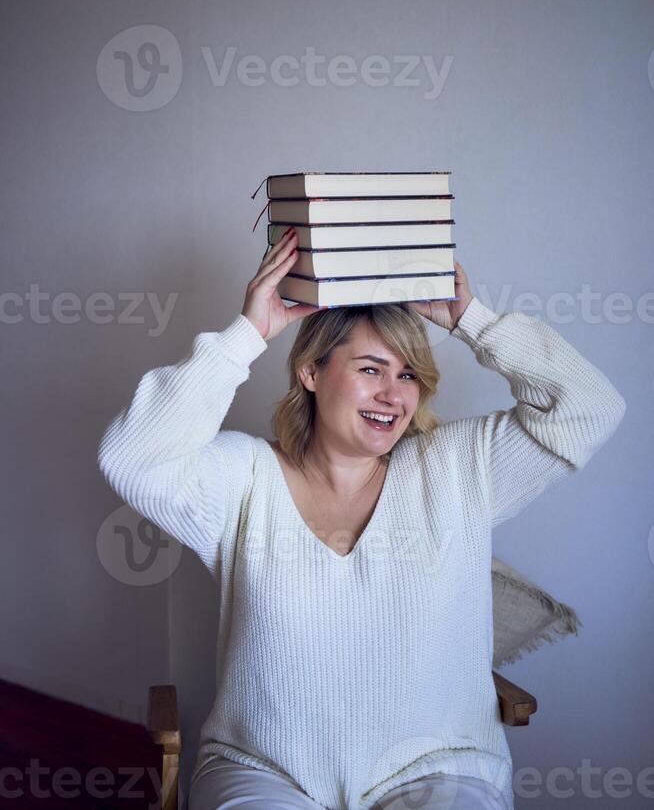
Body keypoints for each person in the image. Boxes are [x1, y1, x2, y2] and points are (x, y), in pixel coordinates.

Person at [97, 227, 626, 810]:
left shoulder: (457, 468)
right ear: (311, 373)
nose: (394, 395)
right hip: (266, 769)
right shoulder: (242, 477)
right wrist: (247, 335)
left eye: (407, 376)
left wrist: (473, 320)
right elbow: (132, 457)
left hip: (435, 769)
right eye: (371, 369)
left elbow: (590, 409)